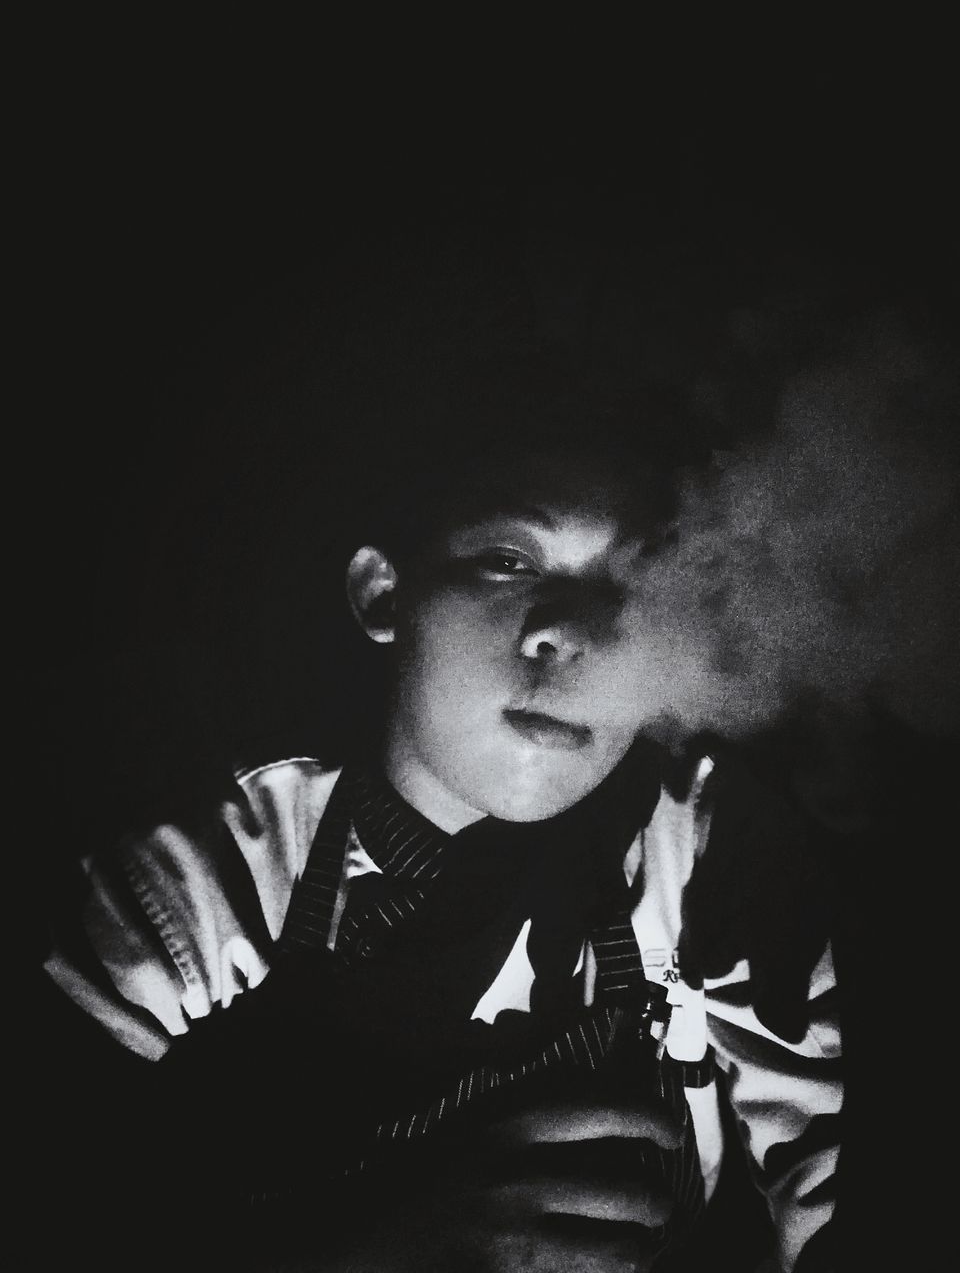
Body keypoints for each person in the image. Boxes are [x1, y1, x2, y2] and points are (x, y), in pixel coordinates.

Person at [39, 362, 842, 1272]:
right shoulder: (211, 877)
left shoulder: (703, 841)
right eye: (509, 561)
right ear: (386, 595)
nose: (567, 632)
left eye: (623, 584)